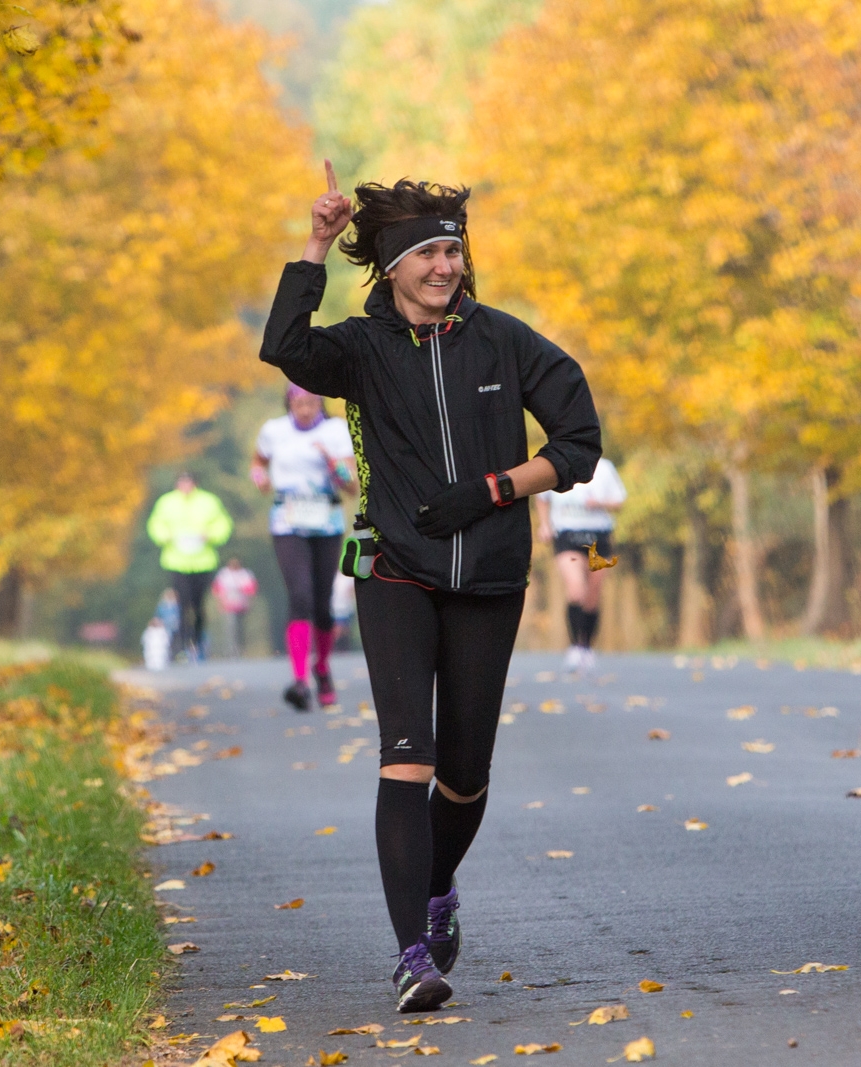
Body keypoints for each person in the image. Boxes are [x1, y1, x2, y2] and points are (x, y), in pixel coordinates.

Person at [261, 163, 601, 1013]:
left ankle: (436, 881)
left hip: (488, 574)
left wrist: (495, 489)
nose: (447, 267)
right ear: (392, 264)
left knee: (465, 772)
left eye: (455, 251)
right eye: (430, 254)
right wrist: (312, 243)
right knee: (406, 755)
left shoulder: (503, 340)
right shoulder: (361, 349)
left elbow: (579, 441)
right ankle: (413, 951)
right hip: (395, 571)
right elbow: (285, 346)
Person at [252, 385, 356, 709]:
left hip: (326, 520)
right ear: (289, 403)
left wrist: (331, 460)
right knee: (300, 596)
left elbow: (351, 485)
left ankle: (322, 668)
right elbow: (258, 461)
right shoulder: (274, 430)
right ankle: (300, 680)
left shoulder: (335, 430)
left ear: (320, 403)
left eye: (312, 403)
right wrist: (260, 477)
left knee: (323, 603)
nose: (306, 409)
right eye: (299, 403)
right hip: (288, 520)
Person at [534, 456, 627, 673]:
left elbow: (619, 501)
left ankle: (587, 647)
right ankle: (575, 646)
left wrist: (599, 503)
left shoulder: (604, 468)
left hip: (599, 536)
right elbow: (542, 497)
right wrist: (545, 525)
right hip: (567, 535)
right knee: (576, 589)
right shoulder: (557, 463)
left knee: (593, 595)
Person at [145, 473, 233, 662]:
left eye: (188, 483)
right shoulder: (166, 502)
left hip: (203, 561)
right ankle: (183, 644)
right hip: (176, 561)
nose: (185, 486)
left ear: (195, 484)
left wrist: (209, 535)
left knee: (199, 604)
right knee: (182, 604)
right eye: (181, 483)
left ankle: (198, 641)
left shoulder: (208, 501)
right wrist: (165, 536)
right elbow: (155, 525)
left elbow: (223, 524)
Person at [212, 557, 259, 658]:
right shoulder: (224, 574)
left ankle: (240, 648)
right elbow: (217, 589)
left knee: (240, 629)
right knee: (230, 628)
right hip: (228, 605)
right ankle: (231, 650)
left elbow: (251, 589)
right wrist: (220, 602)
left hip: (242, 605)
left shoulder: (245, 574)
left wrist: (249, 601)